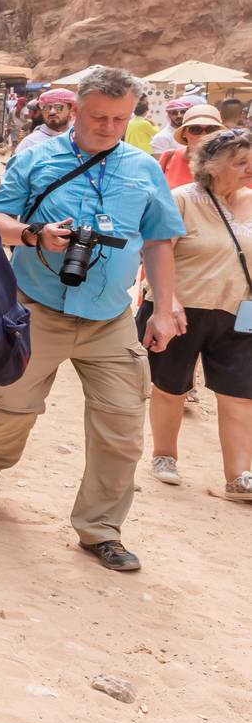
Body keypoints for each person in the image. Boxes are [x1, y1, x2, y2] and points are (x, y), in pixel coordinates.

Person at [0, 66, 186, 573]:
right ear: (75, 111)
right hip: (37, 310)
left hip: (111, 317)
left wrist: (161, 307)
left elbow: (158, 240)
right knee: (12, 407)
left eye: (119, 118)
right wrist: (33, 235)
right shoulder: (36, 158)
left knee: (121, 426)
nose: (108, 126)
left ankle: (101, 528)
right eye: (98, 117)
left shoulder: (143, 167)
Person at [143, 129, 252, 500]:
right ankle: (164, 456)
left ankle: (239, 476)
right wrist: (166, 300)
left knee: (240, 393)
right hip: (182, 309)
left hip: (240, 311)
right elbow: (159, 251)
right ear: (212, 166)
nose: (249, 168)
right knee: (172, 387)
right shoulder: (183, 200)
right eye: (240, 163)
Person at [157, 103, 224, 188]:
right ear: (184, 133)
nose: (203, 135)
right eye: (195, 129)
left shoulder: (228, 161)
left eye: (211, 129)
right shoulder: (169, 157)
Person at [12, 88, 73, 156]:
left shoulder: (79, 139)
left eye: (58, 107)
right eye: (46, 108)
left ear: (71, 109)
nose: (52, 112)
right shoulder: (30, 143)